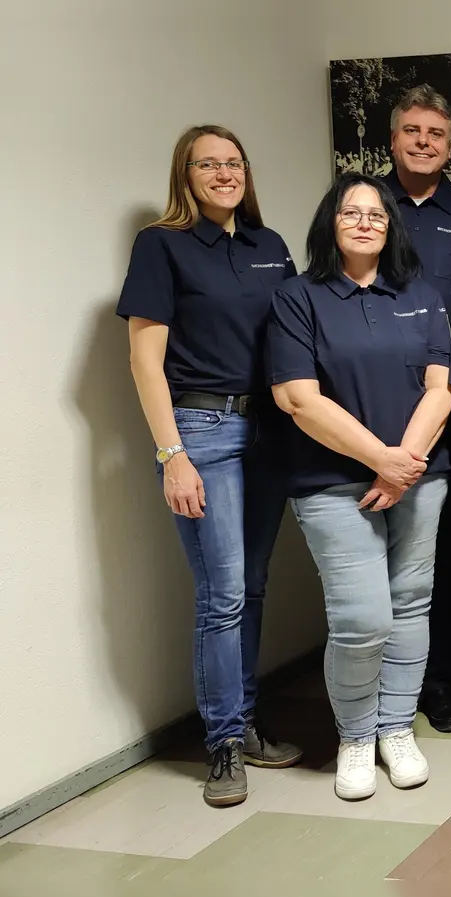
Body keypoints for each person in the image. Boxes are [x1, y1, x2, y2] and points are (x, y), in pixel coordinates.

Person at [118, 125, 304, 808]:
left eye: (234, 163)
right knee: (221, 595)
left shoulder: (269, 246)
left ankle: (246, 723)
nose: (224, 173)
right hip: (203, 430)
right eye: (208, 164)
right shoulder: (161, 246)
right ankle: (223, 743)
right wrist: (172, 455)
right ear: (186, 174)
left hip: (270, 434)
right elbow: (144, 360)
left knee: (251, 588)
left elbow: (295, 339)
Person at [269, 173, 451, 801]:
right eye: (351, 212)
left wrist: (404, 465)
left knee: (409, 605)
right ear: (331, 223)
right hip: (330, 480)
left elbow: (440, 388)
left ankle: (396, 729)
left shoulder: (423, 295)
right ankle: (355, 735)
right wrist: (382, 459)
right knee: (361, 617)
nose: (365, 221)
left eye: (376, 213)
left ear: (390, 226)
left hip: (419, 476)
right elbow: (297, 397)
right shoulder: (298, 298)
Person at [379, 86, 451, 737]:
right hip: (369, 406)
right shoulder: (362, 206)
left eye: (435, 134)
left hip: (446, 406)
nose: (423, 142)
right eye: (412, 131)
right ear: (393, 140)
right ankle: (381, 682)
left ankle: (437, 681)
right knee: (376, 551)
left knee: (443, 552)